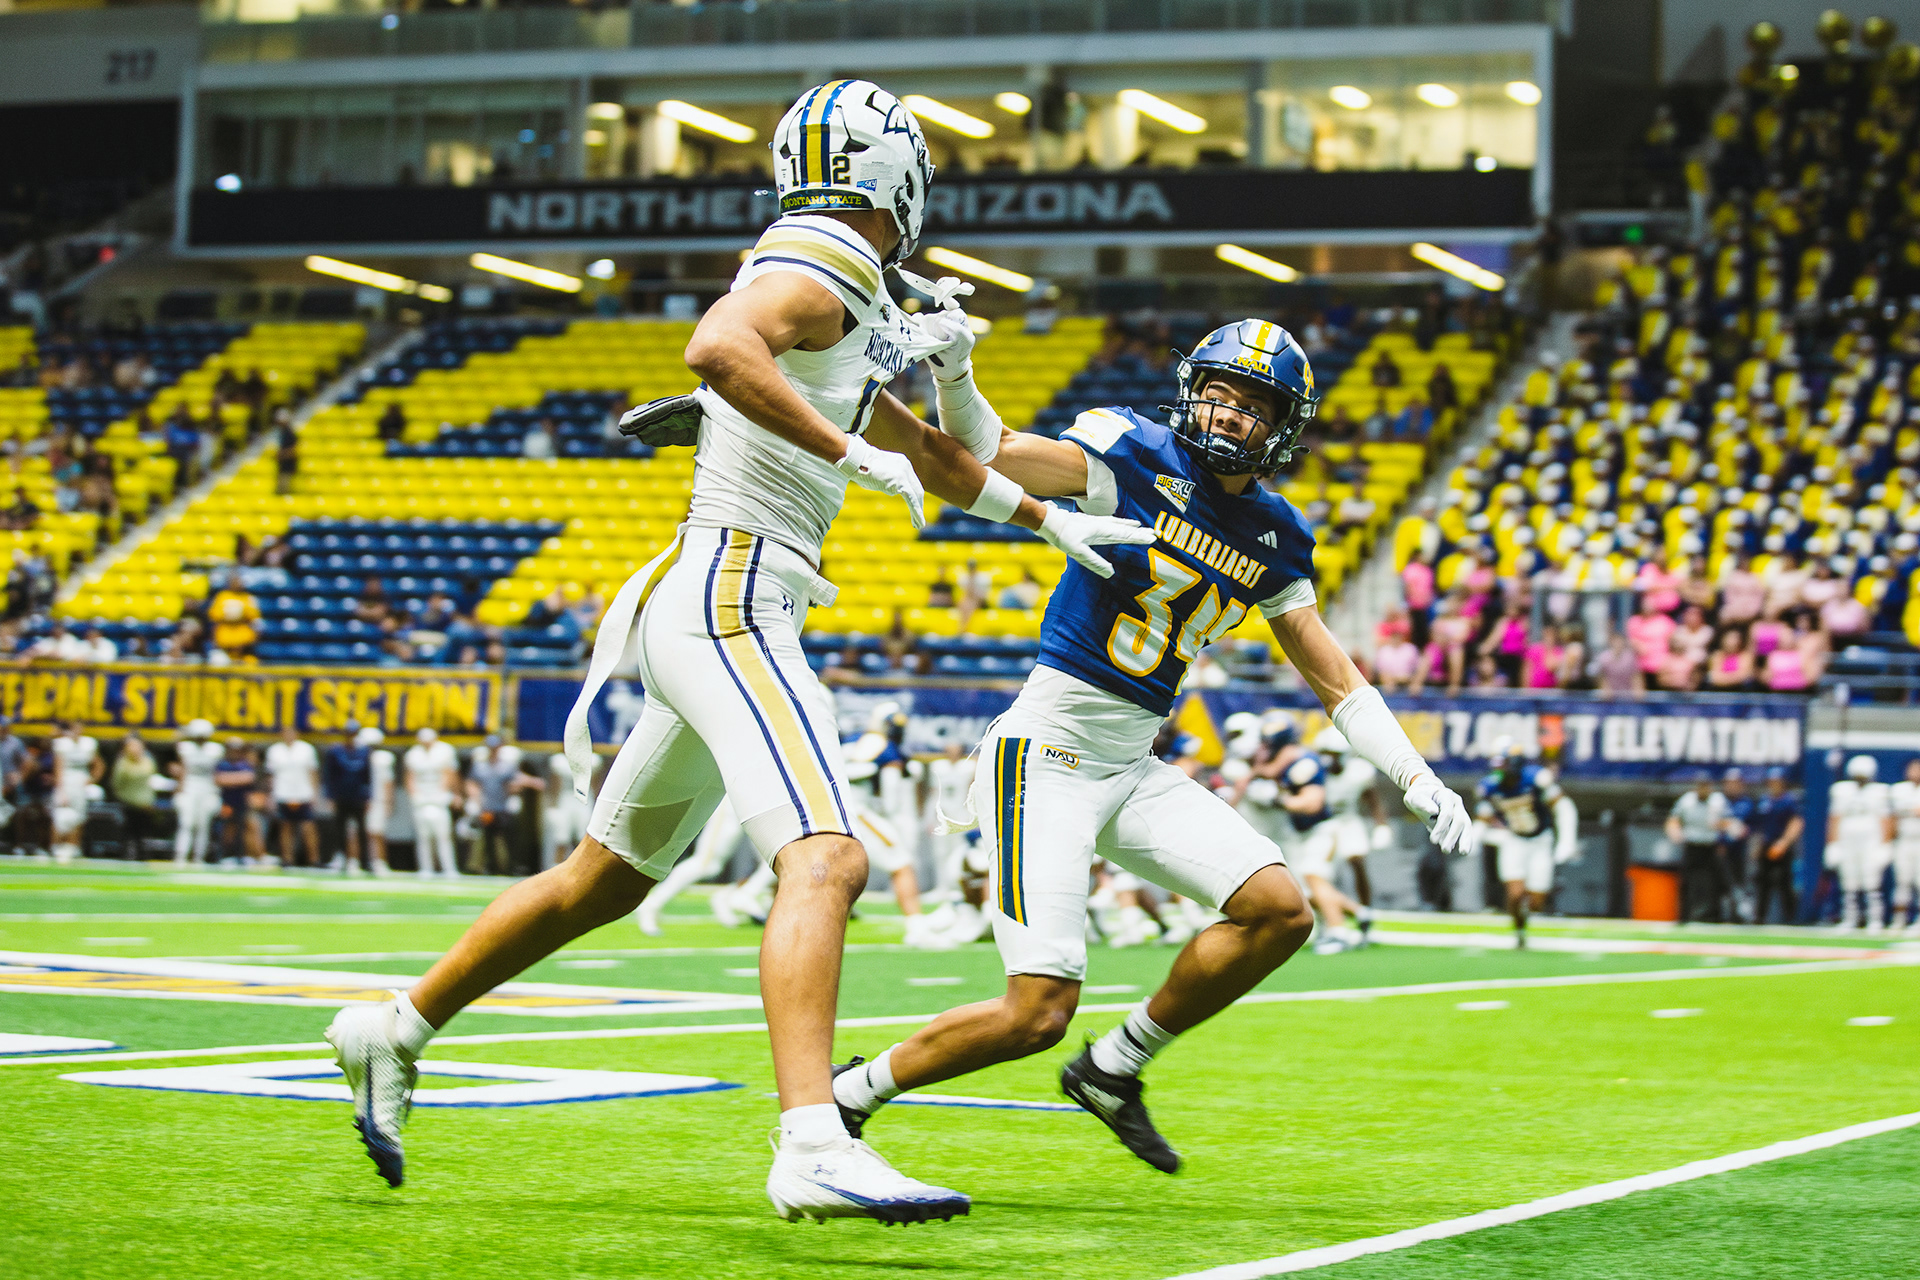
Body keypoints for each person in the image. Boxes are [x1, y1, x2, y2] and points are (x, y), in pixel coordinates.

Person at [323, 81, 1147, 1220]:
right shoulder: (830, 259)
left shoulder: (837, 278)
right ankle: (813, 1137)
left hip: (709, 595)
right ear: (893, 173)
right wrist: (841, 452)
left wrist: (1048, 519)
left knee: (601, 880)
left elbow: (938, 457)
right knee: (830, 855)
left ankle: (393, 1025)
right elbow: (720, 346)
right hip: (730, 597)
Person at [828, 319, 1471, 1175]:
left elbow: (1337, 679)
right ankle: (852, 1094)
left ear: (1284, 424)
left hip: (1131, 763)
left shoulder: (1276, 535)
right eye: (1219, 391)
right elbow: (992, 448)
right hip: (1046, 754)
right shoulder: (1132, 452)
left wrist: (1416, 774)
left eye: (1253, 403)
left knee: (1279, 911)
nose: (1228, 412)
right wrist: (955, 369)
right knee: (1037, 1011)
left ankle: (1114, 1066)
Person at [843, 702, 939, 948]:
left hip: (844, 806)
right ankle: (917, 927)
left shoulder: (855, 740)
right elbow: (889, 795)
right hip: (858, 809)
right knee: (902, 864)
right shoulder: (882, 746)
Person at [1474, 739, 1577, 948]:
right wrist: (1473, 838)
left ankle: (1525, 921)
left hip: (1540, 840)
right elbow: (1483, 817)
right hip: (1514, 840)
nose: (1498, 769)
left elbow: (1564, 807)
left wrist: (1567, 841)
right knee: (1514, 894)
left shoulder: (1535, 779)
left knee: (1537, 901)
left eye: (1502, 763)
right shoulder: (1490, 786)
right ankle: (1519, 930)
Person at [1313, 727, 1390, 912]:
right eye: (1325, 753)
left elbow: (1372, 799)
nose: (1328, 758)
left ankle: (1366, 911)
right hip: (1320, 822)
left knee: (1357, 861)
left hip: (1348, 820)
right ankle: (1328, 917)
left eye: (1333, 754)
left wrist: (1381, 825)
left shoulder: (1358, 773)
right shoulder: (1313, 771)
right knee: (1319, 872)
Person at [1825, 755, 1893, 933]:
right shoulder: (1842, 790)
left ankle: (1875, 919)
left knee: (1871, 881)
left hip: (1870, 840)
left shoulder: (1879, 792)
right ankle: (1850, 918)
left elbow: (1885, 819)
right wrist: (1833, 844)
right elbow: (1835, 818)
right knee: (1849, 881)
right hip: (1848, 840)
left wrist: (1885, 844)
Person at [1667, 773, 1730, 924]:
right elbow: (1674, 820)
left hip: (1710, 845)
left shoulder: (1718, 801)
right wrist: (1675, 833)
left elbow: (1729, 822)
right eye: (1700, 786)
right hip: (1692, 844)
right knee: (1687, 881)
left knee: (1716, 882)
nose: (1703, 789)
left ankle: (1715, 917)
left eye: (1705, 786)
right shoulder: (1687, 801)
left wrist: (1719, 824)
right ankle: (1684, 917)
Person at [464, 735, 526, 877]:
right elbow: (472, 783)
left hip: (503, 807)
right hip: (486, 807)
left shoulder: (507, 766)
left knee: (508, 838)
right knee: (488, 839)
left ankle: (510, 867)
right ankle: (491, 867)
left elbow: (515, 784)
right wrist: (475, 799)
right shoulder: (480, 766)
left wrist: (514, 788)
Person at [403, 726, 460, 878]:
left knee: (443, 835)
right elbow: (410, 777)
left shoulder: (445, 751)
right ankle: (426, 868)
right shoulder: (413, 754)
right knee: (423, 836)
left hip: (439, 797)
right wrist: (415, 795)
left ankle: (449, 868)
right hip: (421, 799)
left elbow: (450, 773)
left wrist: (450, 794)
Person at [1750, 768, 1803, 927]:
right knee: (1762, 882)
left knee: (1785, 882)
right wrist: (1758, 846)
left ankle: (1790, 918)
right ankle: (1759, 917)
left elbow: (1796, 822)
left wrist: (1784, 843)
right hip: (1766, 844)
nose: (1774, 785)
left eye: (1777, 782)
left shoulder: (1789, 800)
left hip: (1782, 845)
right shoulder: (1764, 800)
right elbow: (1760, 826)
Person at [265, 725, 322, 869]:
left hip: (303, 793)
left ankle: (314, 860)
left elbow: (313, 772)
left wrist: (314, 793)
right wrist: (270, 795)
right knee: (285, 827)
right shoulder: (275, 751)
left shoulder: (306, 749)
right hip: (283, 792)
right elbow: (271, 775)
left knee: (308, 827)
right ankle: (287, 859)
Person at [325, 725, 378, 876]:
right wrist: (330, 796)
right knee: (340, 829)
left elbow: (368, 776)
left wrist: (368, 796)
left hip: (358, 796)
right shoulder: (335, 751)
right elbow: (330, 775)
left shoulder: (364, 752)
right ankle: (342, 857)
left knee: (362, 830)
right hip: (341, 795)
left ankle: (365, 861)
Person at [171, 719, 223, 865]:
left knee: (203, 823)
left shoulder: (215, 749)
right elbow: (182, 768)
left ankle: (199, 856)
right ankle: (180, 855)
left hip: (207, 786)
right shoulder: (186, 747)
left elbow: (216, 773)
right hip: (190, 785)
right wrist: (180, 786)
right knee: (186, 822)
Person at [48, 719, 99, 864]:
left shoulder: (88, 744)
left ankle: (73, 847)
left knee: (79, 817)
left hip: (80, 783)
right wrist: (61, 789)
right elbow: (57, 769)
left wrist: (92, 779)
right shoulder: (62, 744)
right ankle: (56, 846)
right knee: (60, 817)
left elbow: (98, 764)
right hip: (66, 781)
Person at [540, 748, 591, 872]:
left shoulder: (591, 760)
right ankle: (555, 869)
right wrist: (552, 805)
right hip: (565, 800)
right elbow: (555, 785)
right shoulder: (559, 761)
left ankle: (584, 869)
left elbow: (593, 784)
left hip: (583, 800)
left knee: (583, 838)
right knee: (561, 838)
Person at [215, 740, 265, 865]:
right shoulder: (223, 764)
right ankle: (223, 856)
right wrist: (238, 779)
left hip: (242, 803)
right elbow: (219, 779)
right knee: (227, 830)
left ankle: (247, 856)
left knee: (247, 828)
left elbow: (249, 778)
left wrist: (230, 779)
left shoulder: (245, 764)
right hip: (226, 803)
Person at [110, 734, 159, 857]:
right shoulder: (123, 763)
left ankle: (143, 856)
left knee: (143, 834)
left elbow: (151, 780)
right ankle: (125, 856)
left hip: (146, 804)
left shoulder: (148, 761)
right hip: (129, 803)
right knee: (128, 833)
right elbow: (117, 784)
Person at [1719, 769, 1756, 923]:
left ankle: (1743, 916)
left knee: (1742, 884)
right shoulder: (1719, 801)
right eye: (1729, 783)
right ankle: (1725, 915)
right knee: (1723, 884)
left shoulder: (1747, 803)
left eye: (1735, 783)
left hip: (1741, 851)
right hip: (1722, 850)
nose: (1732, 786)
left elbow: (1752, 828)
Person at [1888, 760, 1920, 936]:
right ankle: (1899, 919)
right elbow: (1892, 817)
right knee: (1902, 880)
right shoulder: (1898, 791)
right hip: (1904, 840)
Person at [360, 727, 395, 875]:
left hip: (378, 800)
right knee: (356, 832)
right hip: (361, 800)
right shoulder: (358, 756)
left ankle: (380, 861)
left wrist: (388, 802)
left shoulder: (383, 759)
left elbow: (388, 782)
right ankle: (355, 860)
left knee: (377, 832)